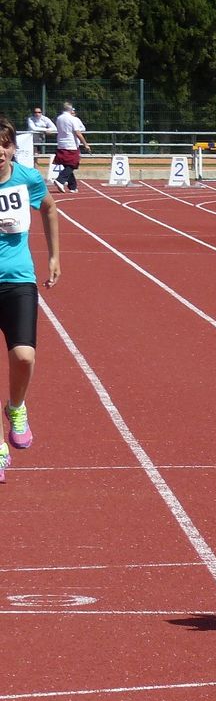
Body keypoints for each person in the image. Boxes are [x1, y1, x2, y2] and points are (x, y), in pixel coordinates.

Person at [0, 118, 61, 481]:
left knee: (24, 356)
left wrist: (54, 255)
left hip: (18, 280)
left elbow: (50, 209)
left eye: (4, 144)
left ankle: (16, 406)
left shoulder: (28, 179)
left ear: (11, 148)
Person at [51, 102, 87, 194]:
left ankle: (72, 186)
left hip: (61, 144)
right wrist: (85, 144)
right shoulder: (73, 119)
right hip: (71, 145)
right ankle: (60, 180)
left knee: (67, 165)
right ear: (70, 110)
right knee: (72, 164)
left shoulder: (59, 118)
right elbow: (78, 132)